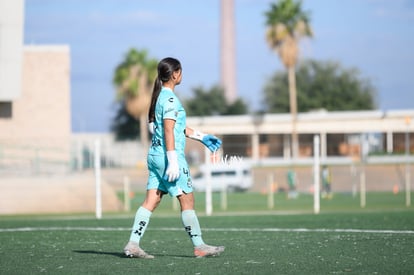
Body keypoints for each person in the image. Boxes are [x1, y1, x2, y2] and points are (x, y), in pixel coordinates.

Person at [123, 57, 225, 259]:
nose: (182, 74)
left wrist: (202, 137)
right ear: (176, 73)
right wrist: (172, 160)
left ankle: (133, 244)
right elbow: (169, 130)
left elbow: (175, 127)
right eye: (181, 71)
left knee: (151, 200)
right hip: (168, 156)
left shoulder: (161, 97)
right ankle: (199, 246)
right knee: (187, 200)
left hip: (155, 156)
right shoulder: (170, 99)